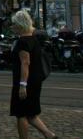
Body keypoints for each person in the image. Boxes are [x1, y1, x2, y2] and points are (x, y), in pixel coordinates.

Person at [10, 10, 57, 139]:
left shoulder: (23, 42)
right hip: (35, 80)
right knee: (31, 113)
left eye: (14, 24)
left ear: (20, 25)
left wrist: (22, 85)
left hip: (25, 81)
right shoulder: (34, 39)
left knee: (21, 114)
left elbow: (25, 63)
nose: (12, 27)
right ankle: (50, 135)